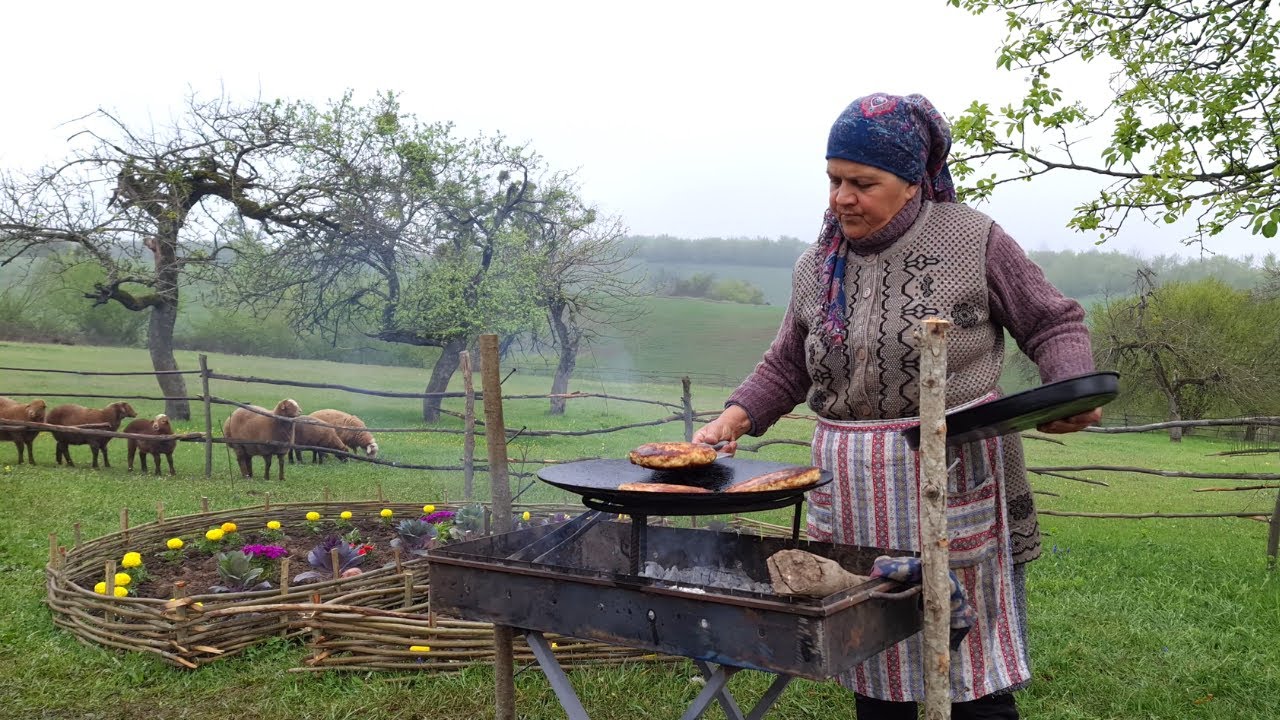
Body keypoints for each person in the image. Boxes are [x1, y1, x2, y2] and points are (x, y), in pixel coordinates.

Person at [693, 92, 1101, 720]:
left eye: (863, 182)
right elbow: (787, 364)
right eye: (833, 180)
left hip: (950, 469)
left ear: (912, 184)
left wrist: (1071, 385)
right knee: (870, 646)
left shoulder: (974, 240)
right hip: (852, 487)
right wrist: (733, 418)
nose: (842, 198)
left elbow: (1053, 323)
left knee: (964, 668)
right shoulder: (818, 266)